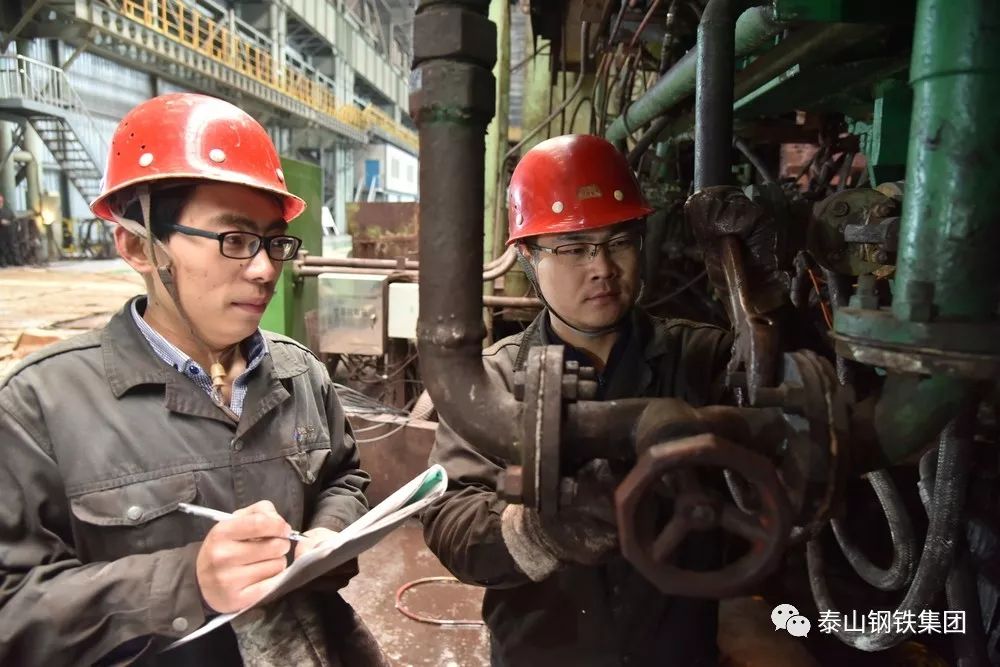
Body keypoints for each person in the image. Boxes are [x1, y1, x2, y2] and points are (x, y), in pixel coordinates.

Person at [0, 93, 385, 666]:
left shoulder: (300, 372)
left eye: (273, 241)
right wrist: (187, 582)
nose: (264, 269)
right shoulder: (39, 407)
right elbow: (11, 611)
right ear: (138, 245)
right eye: (234, 240)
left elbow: (344, 480)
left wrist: (329, 535)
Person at [421, 134, 737, 665]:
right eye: (572, 248)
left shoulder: (702, 359)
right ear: (527, 256)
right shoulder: (491, 380)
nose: (603, 267)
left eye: (620, 241)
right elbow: (449, 519)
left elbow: (807, 425)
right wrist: (539, 531)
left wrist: (765, 299)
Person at [0, 193, 17, 266]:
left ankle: (16, 261)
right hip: (1, 232)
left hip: (9, 231)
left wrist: (9, 222)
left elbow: (13, 219)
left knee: (13, 246)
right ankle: (3, 263)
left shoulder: (8, 210)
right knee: (2, 248)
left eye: (1, 201)